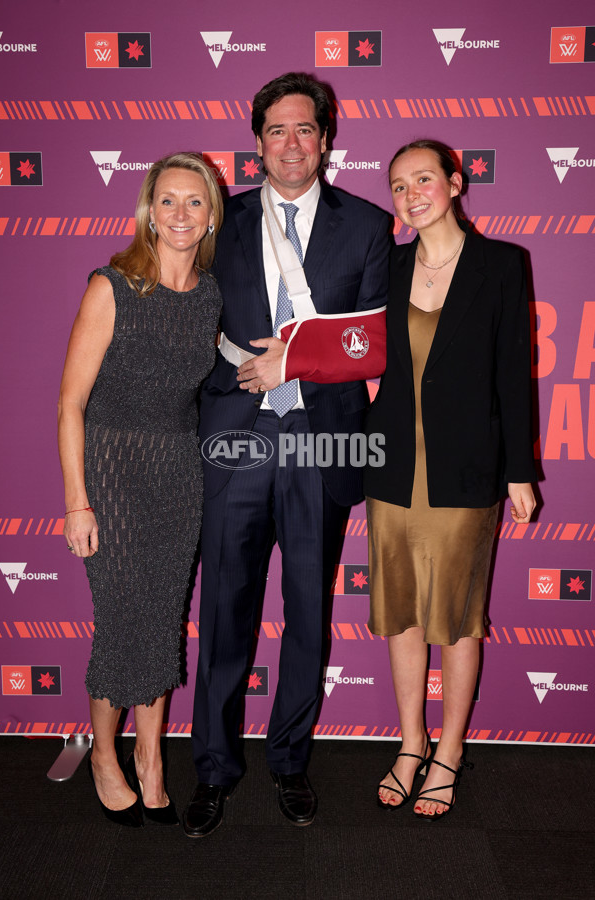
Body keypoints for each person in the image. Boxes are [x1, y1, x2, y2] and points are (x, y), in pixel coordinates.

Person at [183, 72, 391, 837]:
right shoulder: (219, 222)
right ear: (257, 141)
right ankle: (212, 766)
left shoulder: (368, 226)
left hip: (323, 443)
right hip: (232, 440)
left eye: (306, 129)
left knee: (308, 613)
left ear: (327, 138)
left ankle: (291, 760)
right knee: (224, 612)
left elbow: (373, 347)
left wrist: (294, 363)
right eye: (276, 130)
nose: (292, 144)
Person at [363, 139, 537, 820]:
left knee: (459, 622)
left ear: (456, 183)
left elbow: (513, 374)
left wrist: (519, 471)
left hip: (467, 470)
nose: (411, 195)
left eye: (424, 179)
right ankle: (411, 743)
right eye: (399, 186)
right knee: (401, 615)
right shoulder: (391, 264)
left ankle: (451, 750)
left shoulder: (500, 265)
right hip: (393, 469)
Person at [58, 152, 223, 827]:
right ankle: (104, 754)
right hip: (113, 471)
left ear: (210, 213)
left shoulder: (210, 293)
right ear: (147, 211)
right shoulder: (113, 284)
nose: (180, 214)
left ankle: (151, 760)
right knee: (124, 623)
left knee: (162, 621)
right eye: (168, 201)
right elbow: (70, 403)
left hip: (180, 473)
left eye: (194, 202)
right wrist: (77, 501)